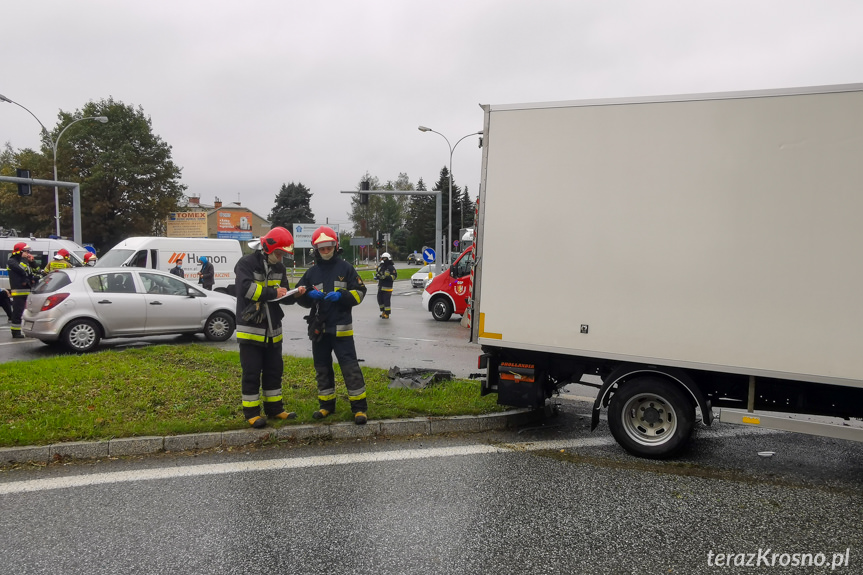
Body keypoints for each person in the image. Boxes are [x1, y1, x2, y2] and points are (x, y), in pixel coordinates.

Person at [296, 226, 369, 424]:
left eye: (329, 248)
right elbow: (298, 294)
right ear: (316, 250)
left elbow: (361, 292)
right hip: (319, 329)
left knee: (350, 367)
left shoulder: (346, 268)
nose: (326, 251)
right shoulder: (311, 273)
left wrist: (343, 296)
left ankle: (359, 408)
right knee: (322, 368)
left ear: (335, 246)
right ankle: (326, 405)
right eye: (322, 249)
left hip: (341, 328)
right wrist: (307, 295)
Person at [234, 227, 307, 428]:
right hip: (251, 330)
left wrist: (295, 295)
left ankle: (275, 410)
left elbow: (281, 296)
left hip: (273, 330)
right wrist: (273, 292)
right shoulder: (246, 264)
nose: (281, 257)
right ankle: (252, 413)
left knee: (274, 371)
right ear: (268, 248)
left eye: (283, 254)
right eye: (278, 253)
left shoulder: (280, 269)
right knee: (251, 372)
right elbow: (245, 289)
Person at [7, 242, 38, 339]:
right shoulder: (12, 261)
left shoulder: (25, 261)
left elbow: (35, 270)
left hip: (27, 290)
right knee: (18, 312)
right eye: (26, 251)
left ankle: (30, 331)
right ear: (19, 251)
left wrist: (32, 262)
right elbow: (22, 271)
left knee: (29, 312)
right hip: (19, 291)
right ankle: (15, 332)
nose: (28, 253)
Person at [375, 252, 397, 319]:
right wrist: (378, 276)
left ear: (388, 258)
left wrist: (385, 277)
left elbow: (394, 276)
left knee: (386, 301)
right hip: (380, 287)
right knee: (380, 300)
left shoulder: (391, 267)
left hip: (387, 288)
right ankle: (383, 312)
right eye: (383, 258)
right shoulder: (381, 266)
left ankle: (387, 314)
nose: (383, 259)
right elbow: (378, 272)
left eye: (385, 258)